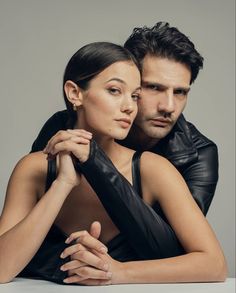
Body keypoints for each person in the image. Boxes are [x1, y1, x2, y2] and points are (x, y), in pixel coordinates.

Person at [0, 42, 226, 285]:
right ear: (75, 93)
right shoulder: (34, 168)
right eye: (115, 91)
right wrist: (63, 183)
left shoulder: (155, 169)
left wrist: (114, 272)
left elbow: (213, 264)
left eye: (135, 95)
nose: (129, 107)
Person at [31, 22, 218, 217]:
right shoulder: (66, 126)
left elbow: (177, 244)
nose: (168, 107)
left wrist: (96, 163)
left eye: (180, 92)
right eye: (154, 87)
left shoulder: (199, 154)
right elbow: (35, 215)